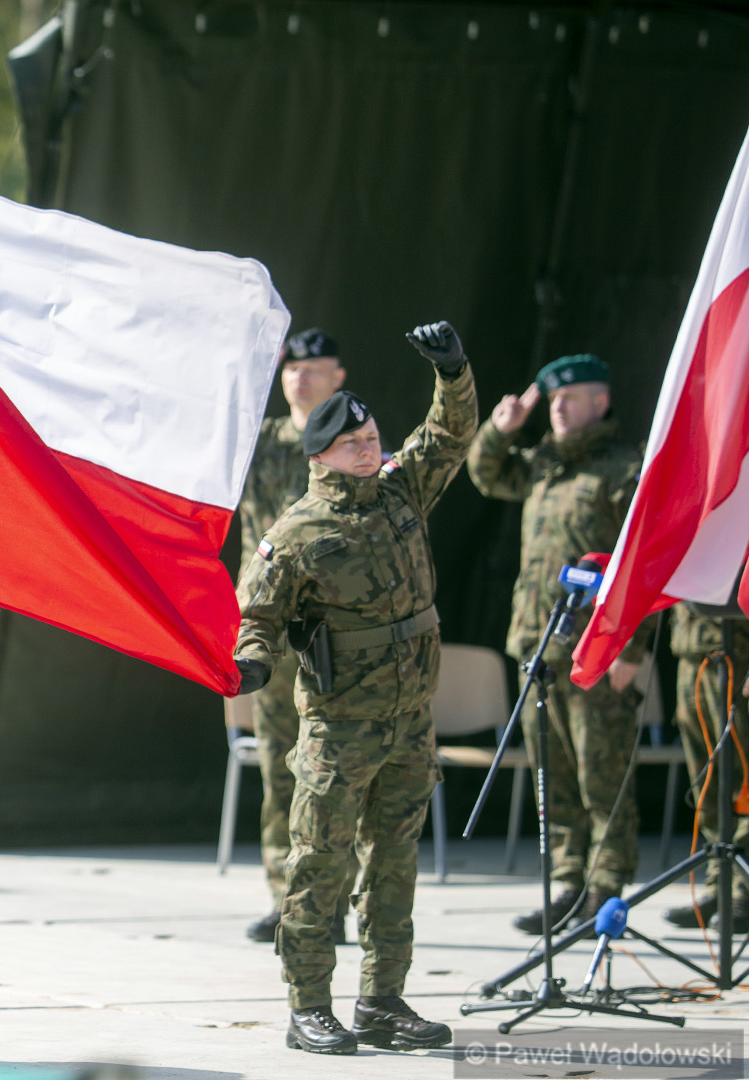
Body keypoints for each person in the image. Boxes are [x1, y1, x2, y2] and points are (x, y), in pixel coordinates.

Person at [233, 320, 475, 1054]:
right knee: (319, 867)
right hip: (342, 729)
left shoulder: (401, 492)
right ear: (321, 454)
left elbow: (450, 434)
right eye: (355, 443)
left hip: (409, 720)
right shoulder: (299, 531)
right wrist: (252, 662)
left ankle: (383, 1000)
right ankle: (309, 1006)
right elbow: (257, 614)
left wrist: (453, 372)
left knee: (394, 865)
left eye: (372, 437)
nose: (371, 448)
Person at [467, 353, 646, 935]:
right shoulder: (543, 464)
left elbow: (643, 566)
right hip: (537, 642)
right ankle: (570, 884)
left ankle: (607, 887)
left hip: (595, 651)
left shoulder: (624, 469)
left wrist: (633, 651)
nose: (560, 409)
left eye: (572, 398)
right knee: (555, 774)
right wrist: (503, 428)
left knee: (602, 773)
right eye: (554, 400)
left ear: (601, 401)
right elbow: (486, 474)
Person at [236, 327, 351, 945]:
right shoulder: (263, 443)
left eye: (314, 369)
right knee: (281, 767)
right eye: (291, 370)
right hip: (273, 634)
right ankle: (287, 898)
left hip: (338, 629)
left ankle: (333, 899)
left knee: (336, 770)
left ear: (338, 377)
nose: (299, 378)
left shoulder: (353, 445)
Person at [663, 604, 749, 928]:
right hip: (692, 652)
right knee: (706, 779)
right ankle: (719, 882)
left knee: (743, 776)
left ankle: (744, 889)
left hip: (737, 652)